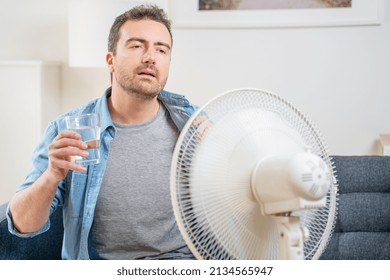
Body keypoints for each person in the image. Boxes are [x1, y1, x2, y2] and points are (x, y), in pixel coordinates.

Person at [6, 5, 197, 260]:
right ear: (111, 61)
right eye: (137, 46)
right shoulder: (66, 130)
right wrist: (52, 175)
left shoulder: (192, 124)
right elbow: (22, 225)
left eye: (161, 49)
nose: (151, 57)